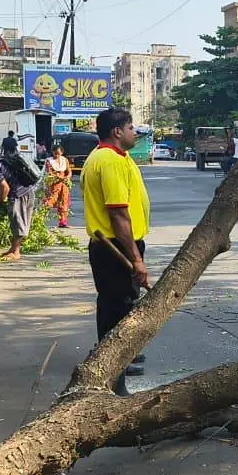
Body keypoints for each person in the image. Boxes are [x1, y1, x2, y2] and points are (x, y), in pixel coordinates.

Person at [81, 108, 151, 394]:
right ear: (117, 131)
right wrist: (135, 258)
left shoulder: (117, 157)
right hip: (114, 247)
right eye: (131, 127)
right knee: (116, 309)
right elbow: (118, 214)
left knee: (121, 307)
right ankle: (113, 379)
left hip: (120, 245)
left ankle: (122, 360)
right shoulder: (108, 160)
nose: (135, 132)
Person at [43, 144, 72, 228]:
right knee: (50, 201)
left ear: (62, 153)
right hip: (54, 184)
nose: (56, 155)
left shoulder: (65, 160)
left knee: (64, 201)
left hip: (64, 184)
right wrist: (58, 177)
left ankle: (63, 221)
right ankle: (41, 219)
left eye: (58, 153)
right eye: (55, 153)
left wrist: (67, 177)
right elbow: (49, 173)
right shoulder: (49, 161)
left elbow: (69, 171)